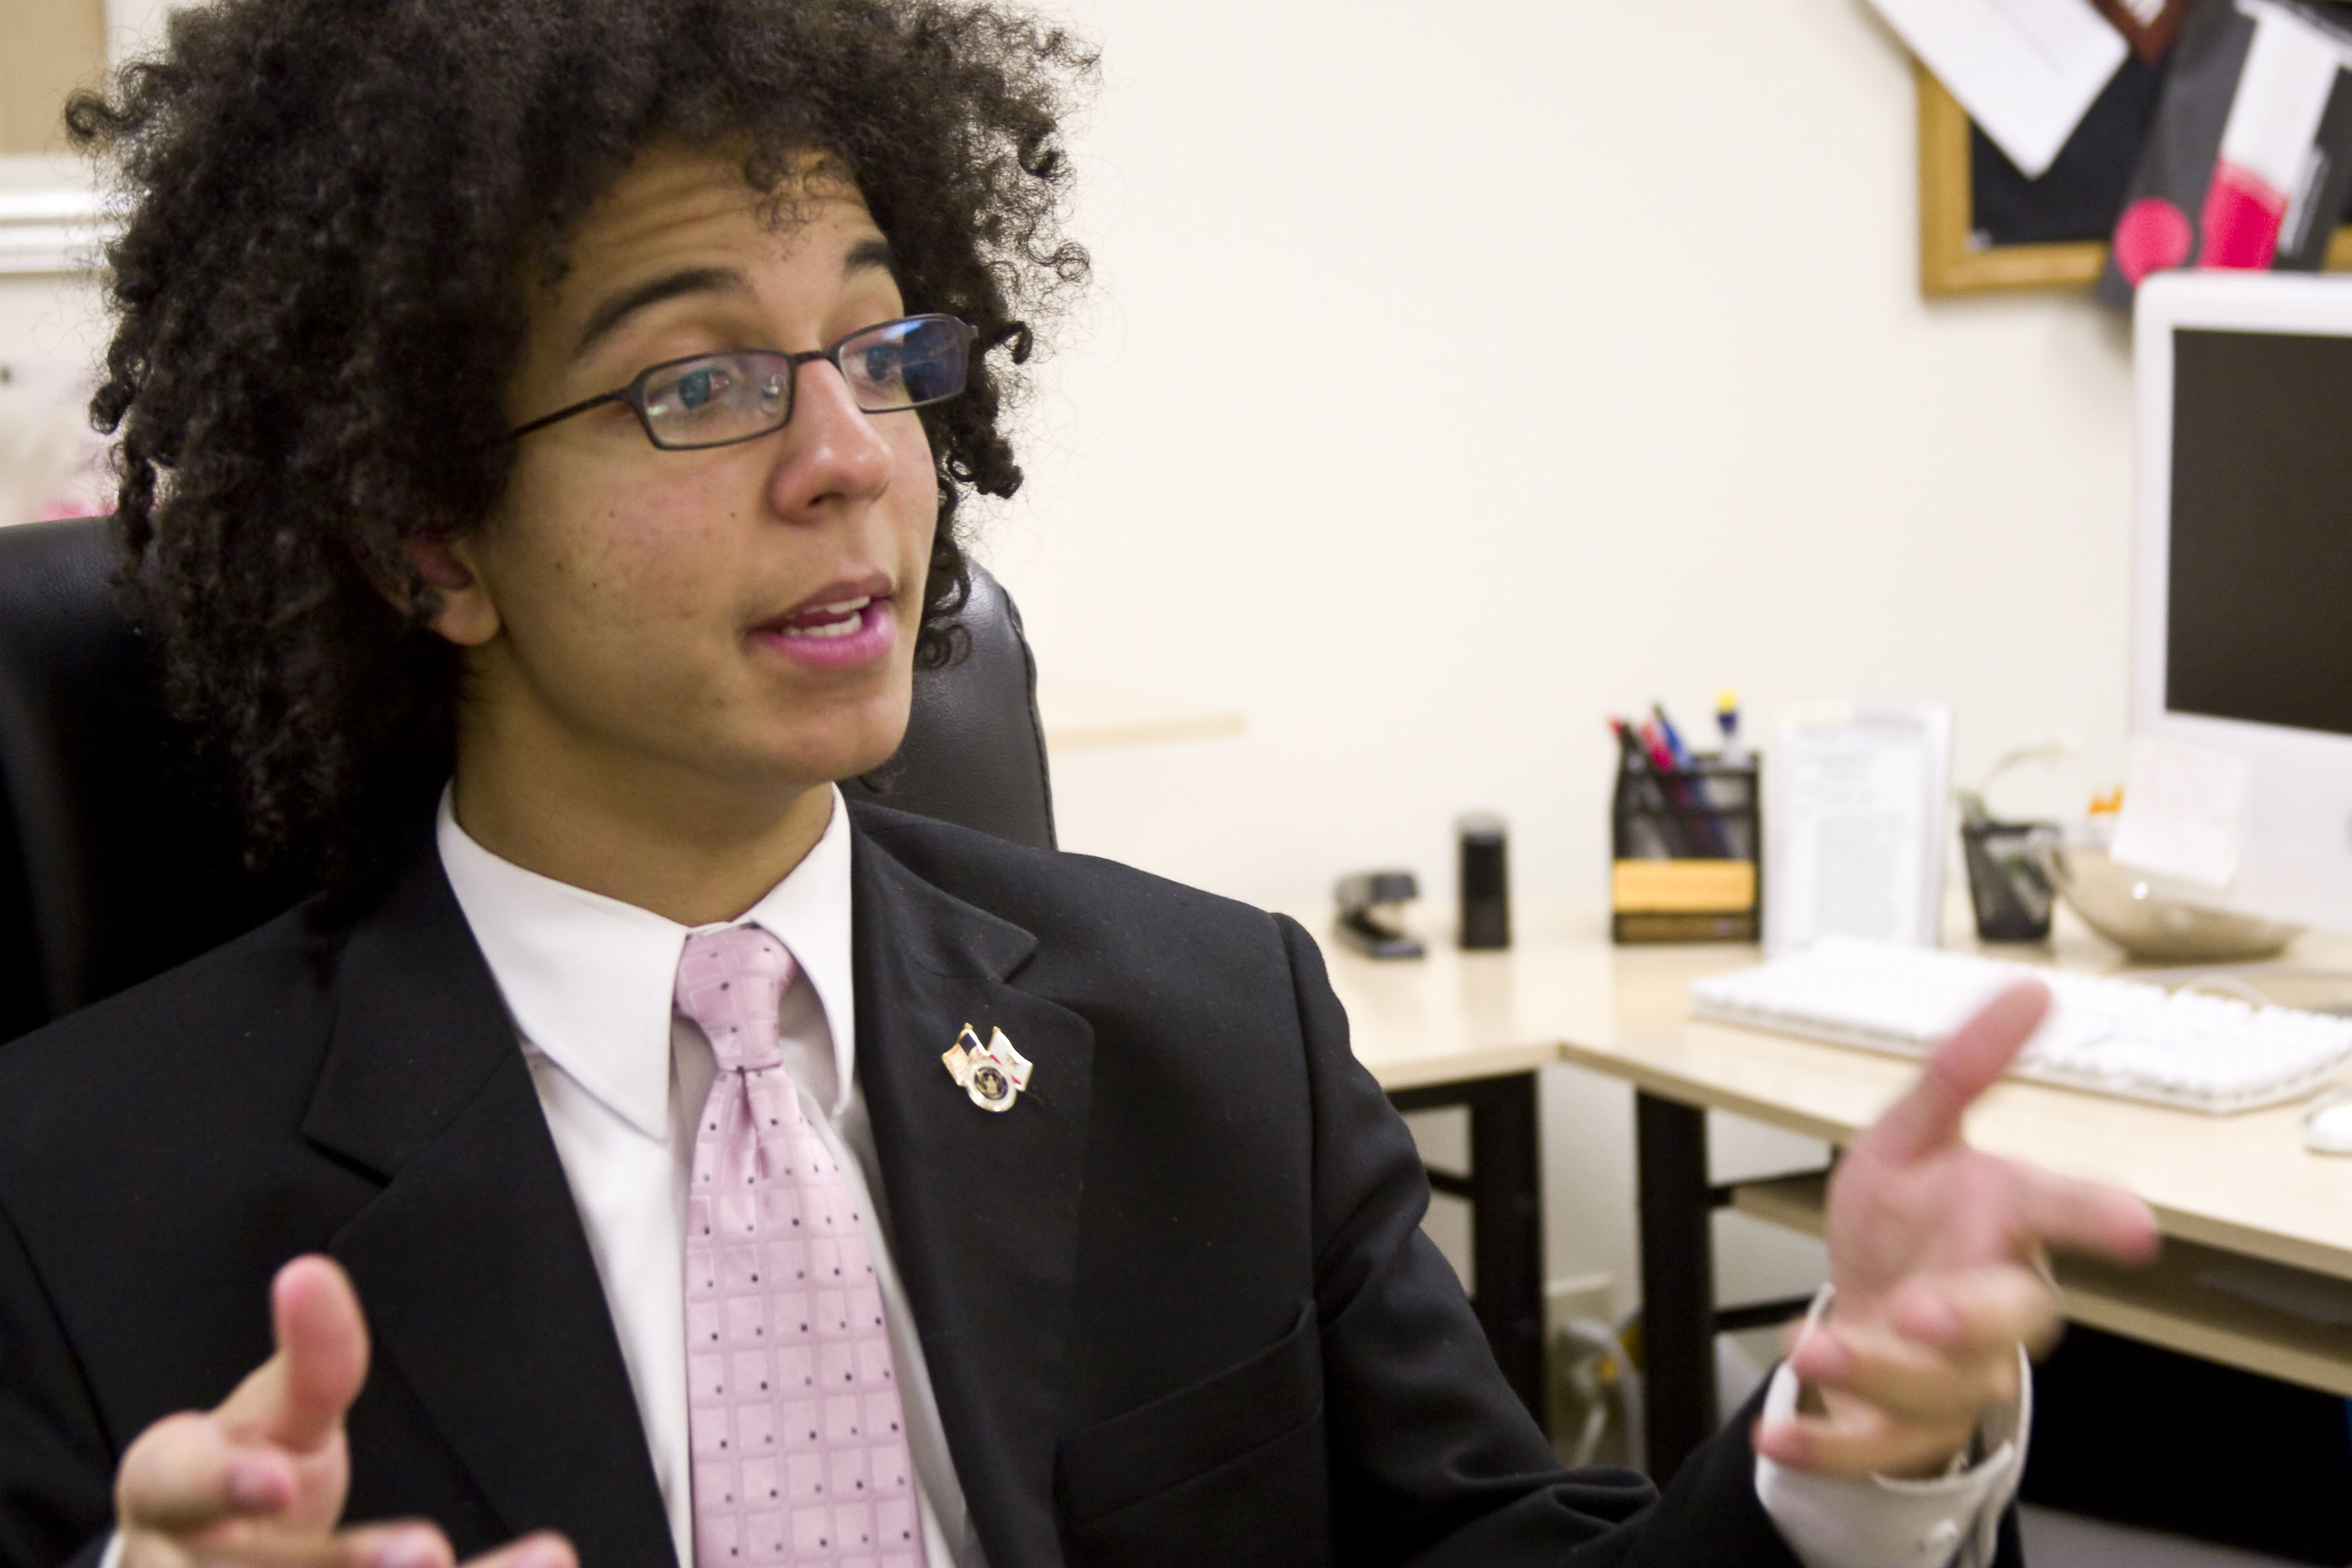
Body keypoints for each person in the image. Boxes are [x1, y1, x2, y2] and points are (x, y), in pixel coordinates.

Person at [0, 1, 2158, 1566]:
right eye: (702, 384)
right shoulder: (83, 1194)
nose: (850, 459)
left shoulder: (1218, 1036)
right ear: (430, 539)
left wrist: (1845, 1455)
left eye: (883, 351)